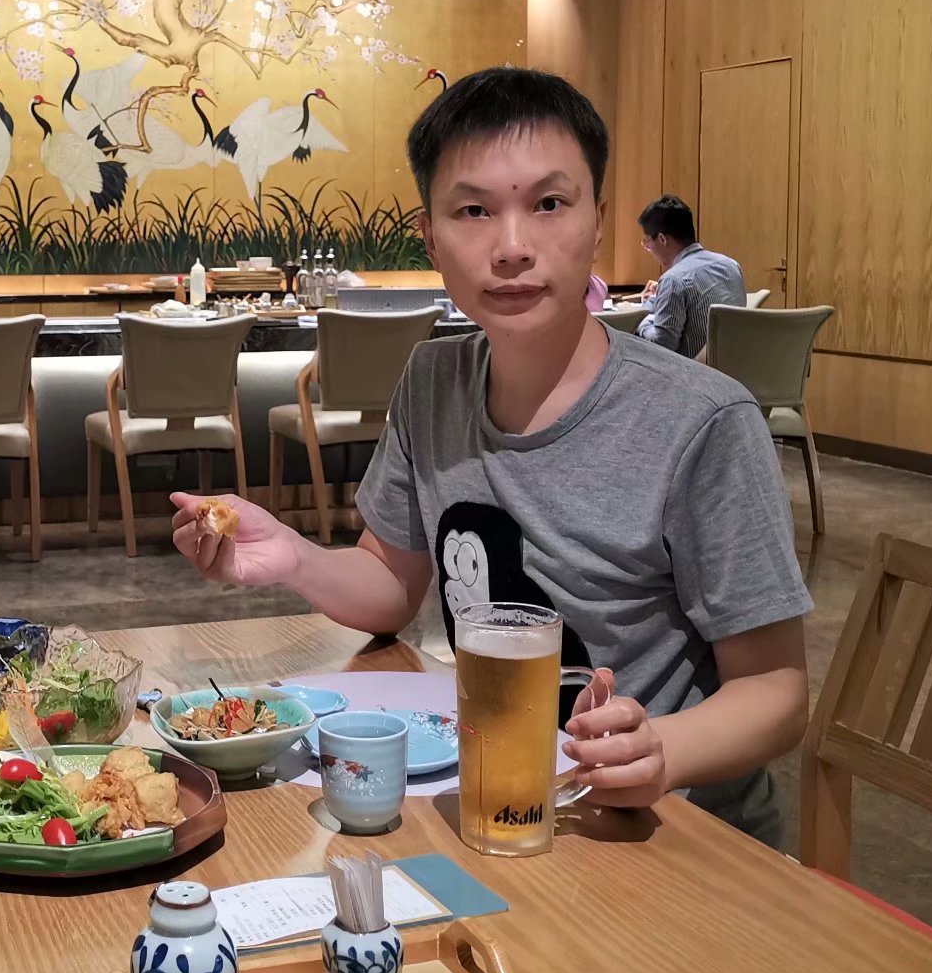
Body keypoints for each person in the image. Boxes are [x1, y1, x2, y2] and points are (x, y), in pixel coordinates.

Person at [168, 68, 811, 845]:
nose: (512, 248)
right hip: (497, 799)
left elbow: (776, 690)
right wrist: (293, 557)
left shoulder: (701, 421)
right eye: (473, 211)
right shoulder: (433, 379)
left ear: (598, 221)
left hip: (672, 832)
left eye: (549, 204)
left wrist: (662, 750)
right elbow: (390, 586)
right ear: (431, 237)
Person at [635, 195, 747, 358]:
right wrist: (656, 299)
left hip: (692, 371)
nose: (649, 249)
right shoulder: (731, 265)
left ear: (662, 239)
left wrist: (641, 321)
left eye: (647, 243)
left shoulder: (673, 280)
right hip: (733, 367)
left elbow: (662, 345)